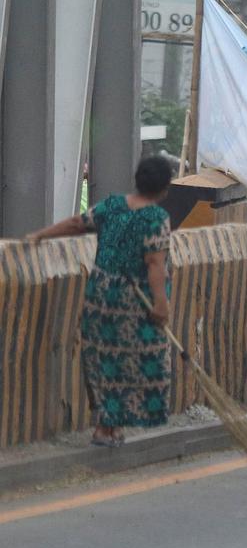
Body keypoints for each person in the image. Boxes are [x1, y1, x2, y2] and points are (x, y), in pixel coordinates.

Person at [26, 156, 175, 447]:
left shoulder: (113, 205)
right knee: (143, 360)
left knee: (103, 359)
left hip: (101, 295)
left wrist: (40, 235)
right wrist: (161, 303)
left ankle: (104, 426)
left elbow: (76, 224)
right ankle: (114, 425)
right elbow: (155, 263)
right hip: (135, 302)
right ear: (164, 189)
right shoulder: (156, 218)